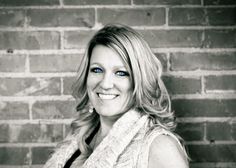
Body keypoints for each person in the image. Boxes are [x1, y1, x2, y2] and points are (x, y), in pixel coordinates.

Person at [44, 24, 189, 168]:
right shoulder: (80, 137)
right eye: (97, 70)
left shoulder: (159, 147)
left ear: (139, 79)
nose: (106, 84)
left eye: (121, 73)